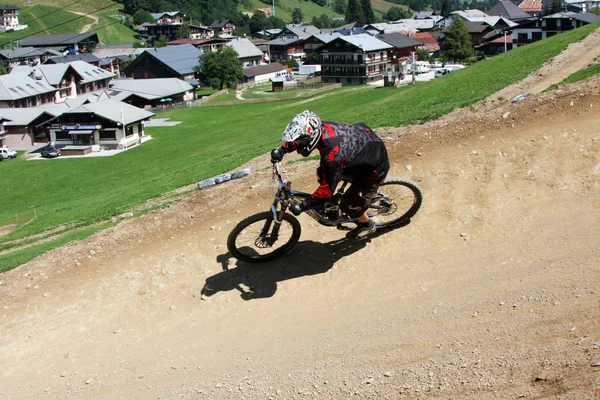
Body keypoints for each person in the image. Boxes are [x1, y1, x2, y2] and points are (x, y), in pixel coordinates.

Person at [270, 110, 389, 239]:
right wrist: (283, 149)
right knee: (323, 173)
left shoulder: (332, 157)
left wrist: (303, 205)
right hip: (362, 150)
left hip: (373, 166)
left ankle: (366, 224)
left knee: (349, 206)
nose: (299, 146)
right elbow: (302, 138)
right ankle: (338, 201)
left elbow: (326, 190)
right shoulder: (321, 128)